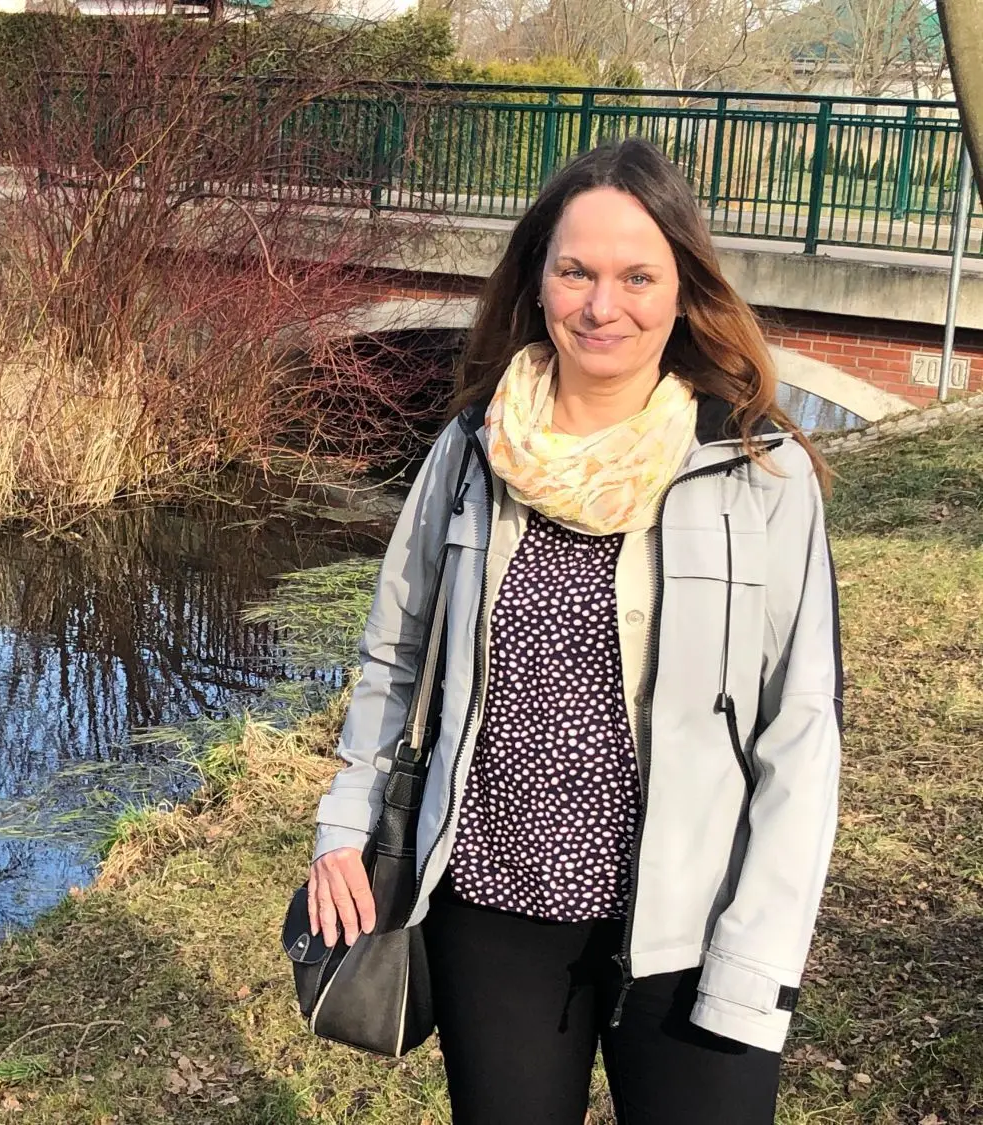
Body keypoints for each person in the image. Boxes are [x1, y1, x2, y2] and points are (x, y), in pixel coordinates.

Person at [305, 138, 842, 1125]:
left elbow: (800, 730)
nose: (605, 306)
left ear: (683, 288)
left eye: (638, 276)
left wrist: (756, 957)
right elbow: (394, 654)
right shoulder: (468, 454)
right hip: (492, 911)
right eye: (577, 272)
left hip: (691, 930)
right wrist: (345, 823)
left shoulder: (757, 471)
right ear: (538, 280)